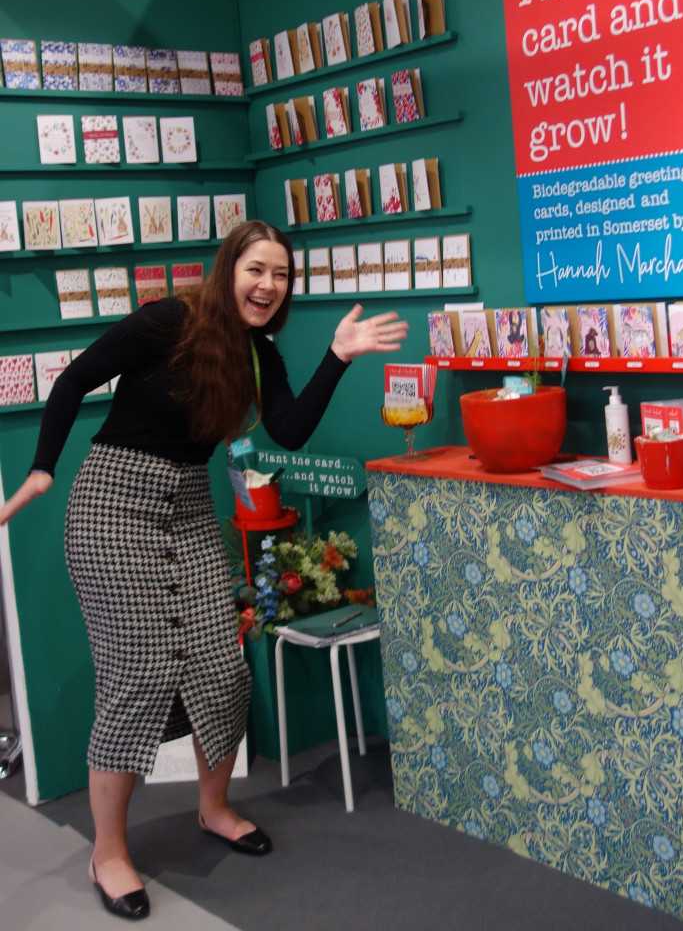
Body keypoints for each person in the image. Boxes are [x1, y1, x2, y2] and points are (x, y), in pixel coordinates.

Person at [0, 220, 408, 920]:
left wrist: (338, 356)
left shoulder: (259, 354)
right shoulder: (170, 320)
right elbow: (74, 379)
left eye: (280, 275)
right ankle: (108, 852)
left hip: (186, 509)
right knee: (140, 674)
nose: (268, 285)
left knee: (224, 668)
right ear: (230, 269)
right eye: (257, 269)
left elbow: (288, 430)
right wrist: (41, 468)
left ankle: (213, 809)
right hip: (112, 509)